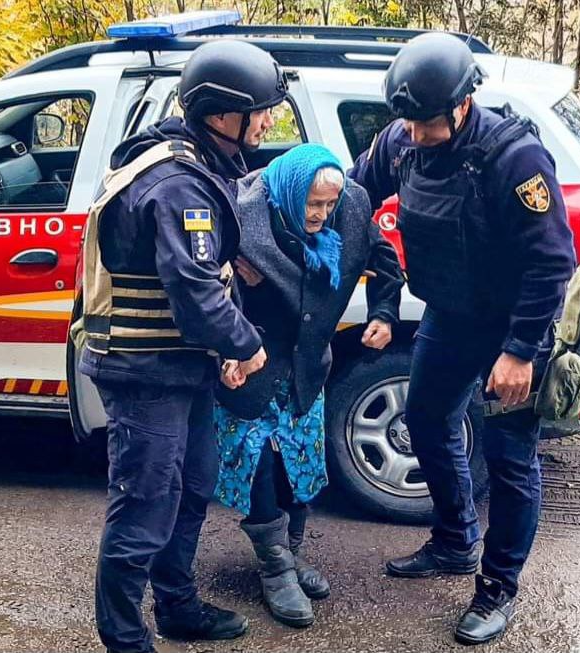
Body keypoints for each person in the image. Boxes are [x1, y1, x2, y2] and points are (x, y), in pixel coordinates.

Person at [349, 32, 576, 645]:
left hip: (512, 327)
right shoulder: (400, 140)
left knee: (509, 461)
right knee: (425, 419)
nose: (416, 135)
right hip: (449, 316)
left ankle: (498, 586)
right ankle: (454, 541)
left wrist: (521, 352)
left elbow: (552, 263)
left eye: (427, 124)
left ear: (463, 105)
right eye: (410, 124)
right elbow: (355, 195)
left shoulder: (515, 159)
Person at [76, 39, 288, 653]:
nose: (270, 120)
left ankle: (176, 608)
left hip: (178, 365)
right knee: (143, 507)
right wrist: (244, 344)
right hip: (144, 371)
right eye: (262, 109)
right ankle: (124, 639)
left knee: (193, 486)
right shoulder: (177, 183)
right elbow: (194, 289)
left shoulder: (201, 160)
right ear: (224, 115)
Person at [215, 143, 403, 628]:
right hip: (252, 359)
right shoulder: (242, 211)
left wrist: (383, 313)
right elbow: (204, 283)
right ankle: (274, 567)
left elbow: (385, 261)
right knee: (256, 457)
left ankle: (291, 553)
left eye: (328, 205)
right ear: (287, 195)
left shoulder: (352, 204)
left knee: (299, 461)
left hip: (307, 363)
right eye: (312, 205)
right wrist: (229, 340)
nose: (322, 214)